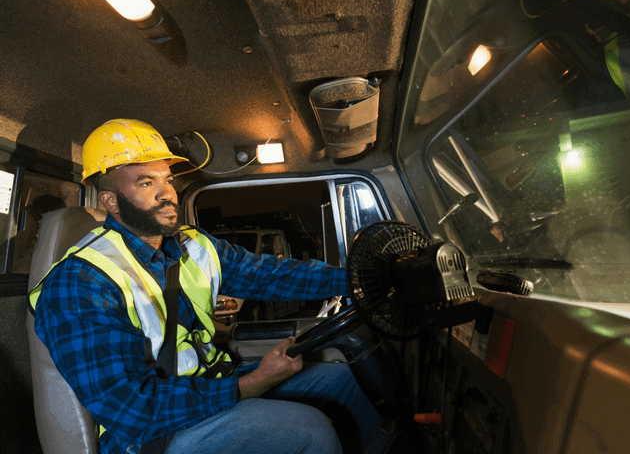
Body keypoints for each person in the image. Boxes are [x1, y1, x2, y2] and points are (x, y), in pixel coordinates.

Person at [29, 119, 383, 454]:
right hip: (153, 434)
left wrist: (360, 279)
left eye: (168, 180)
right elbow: (130, 409)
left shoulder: (192, 245)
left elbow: (273, 275)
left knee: (341, 381)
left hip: (209, 383)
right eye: (146, 183)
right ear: (110, 201)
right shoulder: (80, 282)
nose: (167, 194)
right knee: (309, 430)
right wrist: (249, 385)